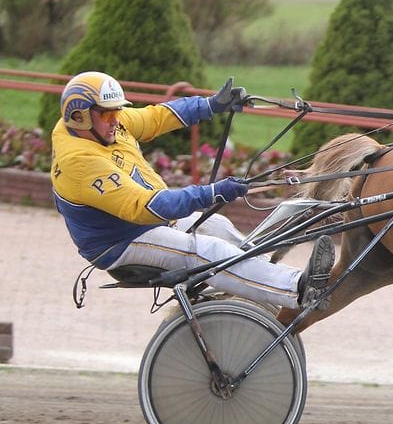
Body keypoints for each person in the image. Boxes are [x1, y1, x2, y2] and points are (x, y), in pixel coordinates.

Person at [50, 71, 334, 311]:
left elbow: (156, 117)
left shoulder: (109, 124)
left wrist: (211, 104)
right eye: (106, 114)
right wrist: (210, 193)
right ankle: (298, 288)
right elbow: (144, 207)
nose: (116, 119)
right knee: (204, 251)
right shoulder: (78, 159)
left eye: (117, 111)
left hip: (146, 224)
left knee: (217, 226)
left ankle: (265, 284)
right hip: (120, 242)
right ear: (79, 117)